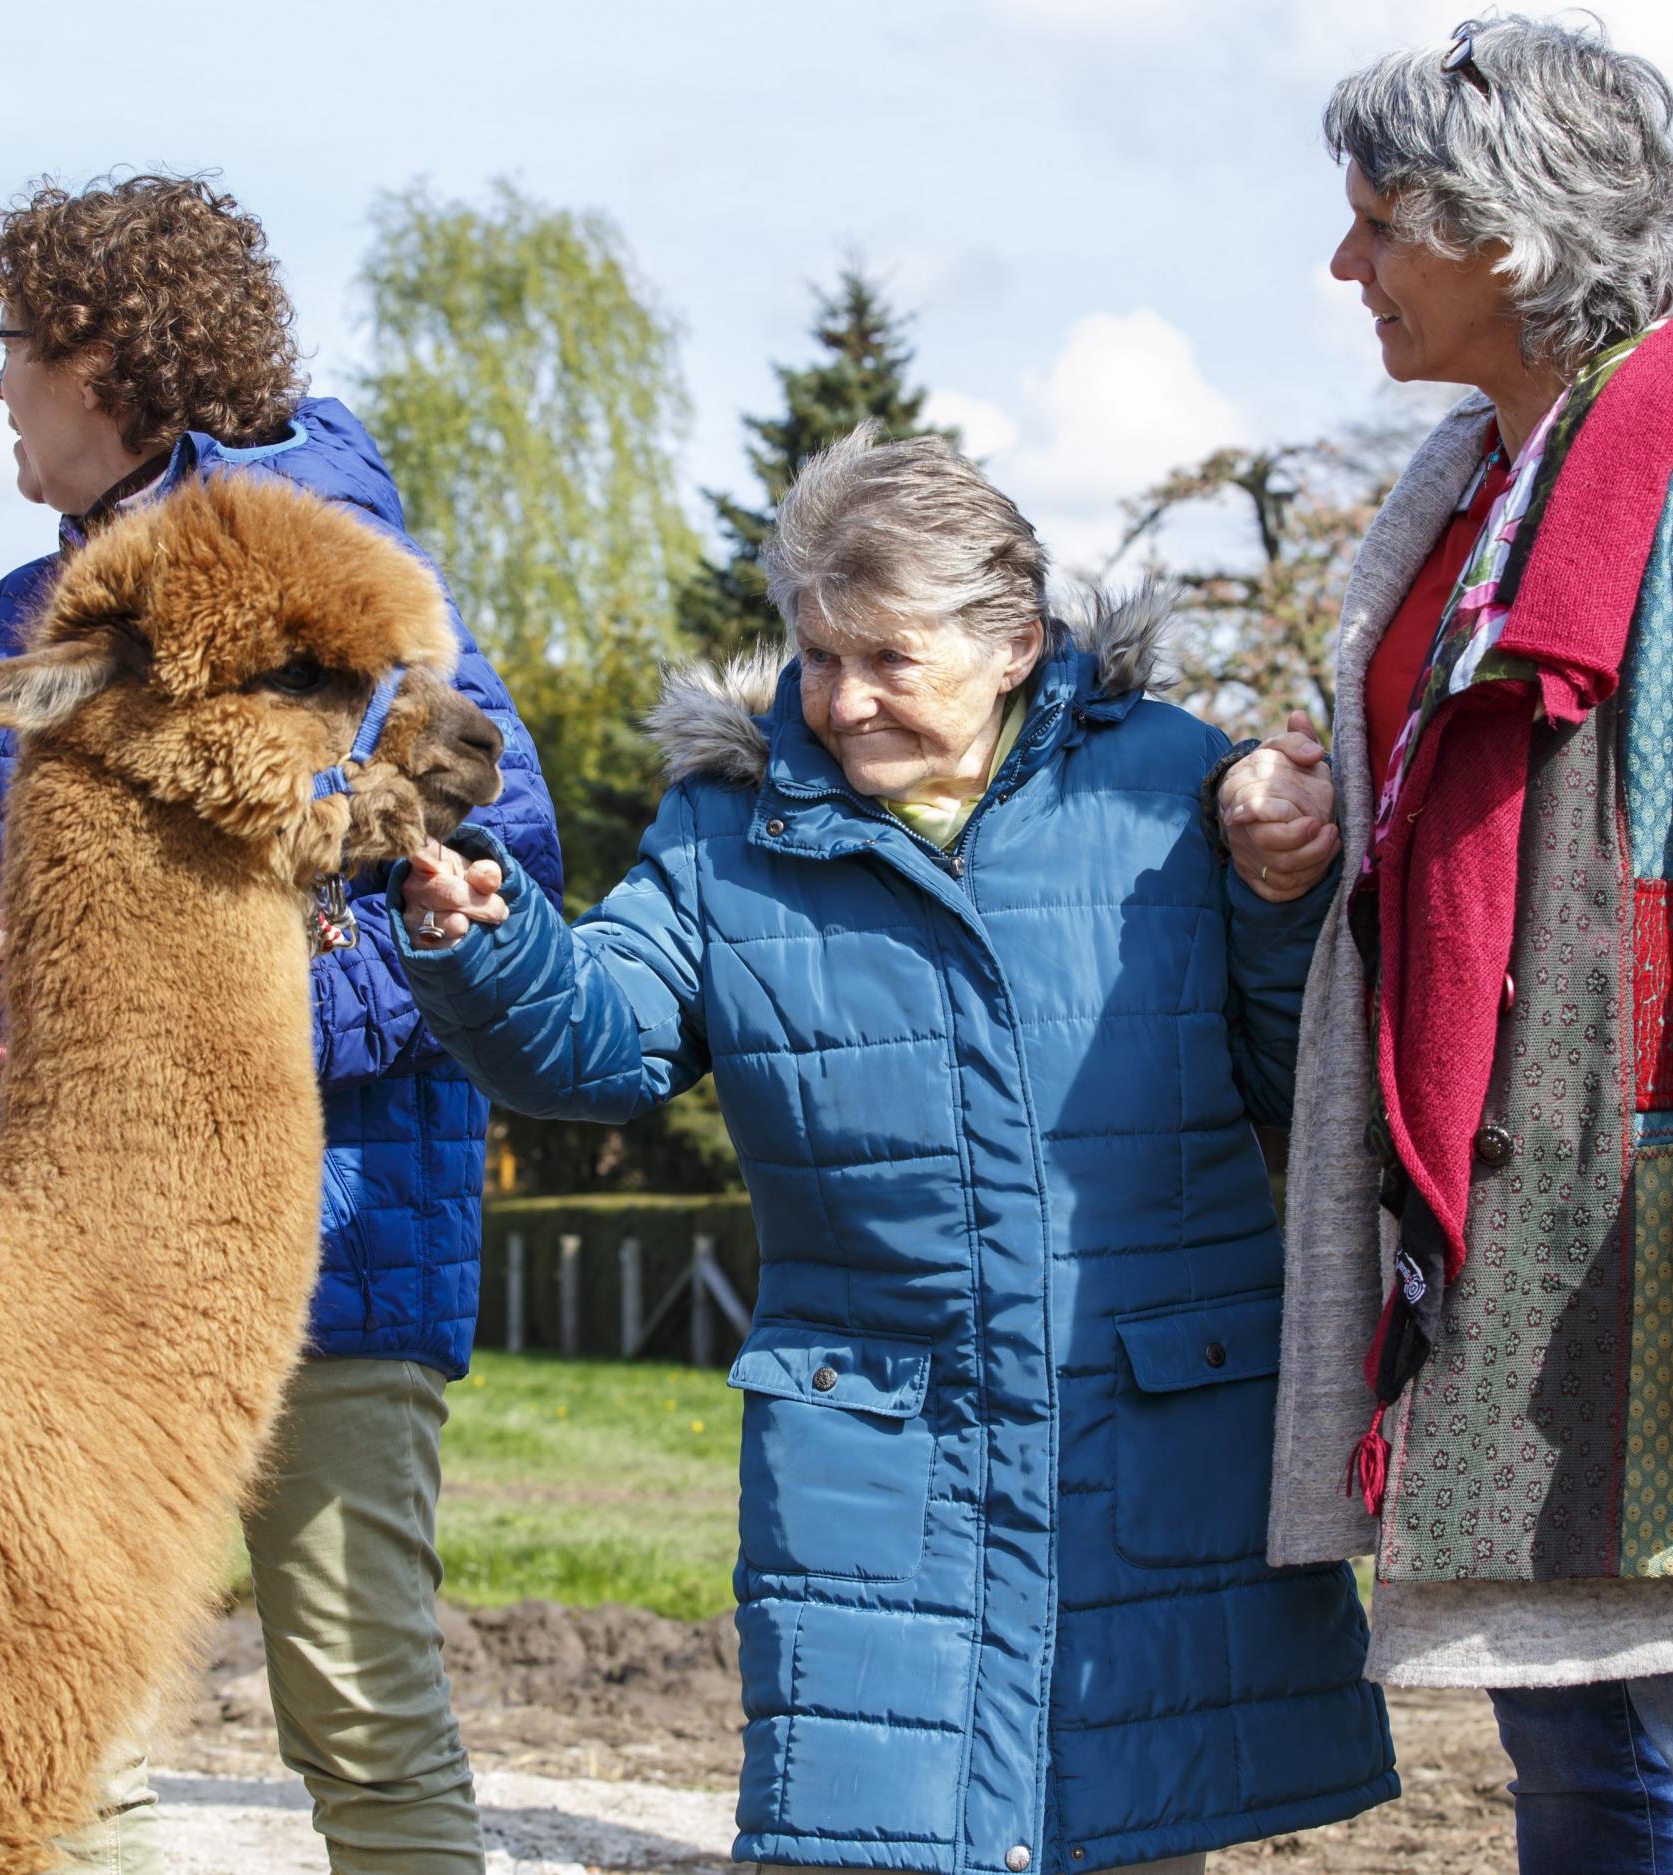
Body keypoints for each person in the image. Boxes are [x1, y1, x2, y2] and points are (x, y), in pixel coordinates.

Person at [393, 423, 1393, 1875]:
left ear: (1015, 645)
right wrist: (481, 946)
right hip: (877, 1441)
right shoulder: (726, 829)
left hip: (1155, 1424)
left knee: (1137, 1822)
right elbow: (600, 1042)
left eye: (888, 659)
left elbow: (1289, 1055)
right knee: (866, 1831)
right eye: (817, 656)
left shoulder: (1166, 780)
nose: (844, 701)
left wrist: (1281, 891)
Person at [0, 173, 561, 1875]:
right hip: (83, 1277)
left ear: (104, 364)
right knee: (56, 1730)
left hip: (340, 1245)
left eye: (11, 350)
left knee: (361, 1708)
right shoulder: (46, 619)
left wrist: (197, 1017)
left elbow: (487, 851)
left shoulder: (339, 598)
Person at [1269, 16, 1673, 1871]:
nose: (1346, 265)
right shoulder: (1477, 484)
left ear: (1507, 232)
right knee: (1576, 1767)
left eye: (1379, 222)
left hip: (1668, 1206)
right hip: (1502, 1213)